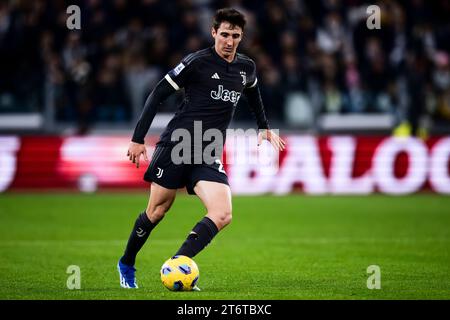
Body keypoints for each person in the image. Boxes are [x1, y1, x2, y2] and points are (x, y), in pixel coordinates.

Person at [118, 8, 286, 289]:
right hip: (178, 144)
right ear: (213, 33)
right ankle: (127, 262)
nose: (229, 41)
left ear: (241, 37)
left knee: (223, 213)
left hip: (208, 151)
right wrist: (138, 138)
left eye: (235, 36)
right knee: (157, 211)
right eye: (224, 35)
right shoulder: (197, 63)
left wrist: (263, 126)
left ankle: (178, 264)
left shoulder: (247, 68)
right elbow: (158, 93)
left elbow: (254, 93)